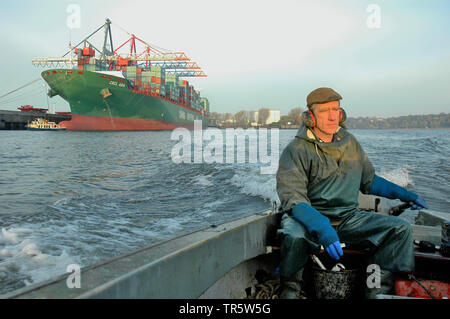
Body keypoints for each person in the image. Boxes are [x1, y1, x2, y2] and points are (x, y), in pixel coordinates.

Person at [276, 87, 428, 299]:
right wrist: (322, 227)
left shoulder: (351, 143)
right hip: (307, 220)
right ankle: (290, 290)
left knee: (400, 229)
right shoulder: (296, 150)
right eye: (325, 111)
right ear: (310, 116)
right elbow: (294, 200)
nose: (332, 116)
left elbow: (369, 180)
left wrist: (405, 194)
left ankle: (377, 292)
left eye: (336, 109)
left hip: (348, 218)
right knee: (293, 237)